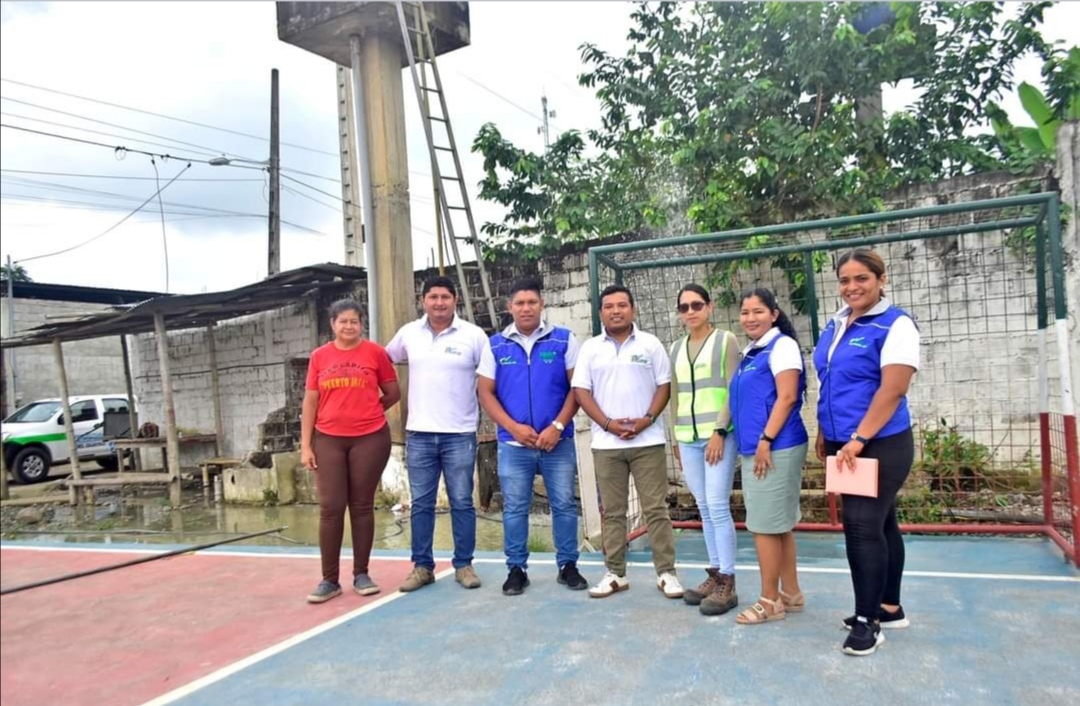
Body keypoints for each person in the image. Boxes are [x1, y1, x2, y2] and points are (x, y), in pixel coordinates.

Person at [812, 249, 919, 656]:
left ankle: (867, 622)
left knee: (860, 526)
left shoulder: (896, 324)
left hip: (878, 442)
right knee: (881, 522)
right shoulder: (837, 323)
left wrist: (857, 439)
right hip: (843, 442)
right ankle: (889, 607)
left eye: (862, 278)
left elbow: (893, 389)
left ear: (881, 279)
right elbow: (830, 382)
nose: (852, 287)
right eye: (845, 280)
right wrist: (826, 431)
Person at [477, 277, 588, 596]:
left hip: (557, 443)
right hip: (514, 445)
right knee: (514, 508)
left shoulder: (563, 339)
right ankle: (516, 569)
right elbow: (485, 393)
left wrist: (557, 426)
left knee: (564, 505)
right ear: (509, 307)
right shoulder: (495, 345)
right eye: (520, 303)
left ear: (542, 305)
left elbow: (577, 388)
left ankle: (568, 566)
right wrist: (513, 428)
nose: (526, 308)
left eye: (532, 302)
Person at [571, 284, 683, 600]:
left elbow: (664, 385)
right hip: (606, 445)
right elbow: (581, 391)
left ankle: (666, 573)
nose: (616, 311)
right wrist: (607, 424)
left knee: (656, 509)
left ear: (633, 309)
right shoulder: (590, 348)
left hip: (648, 441)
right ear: (600, 312)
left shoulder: (650, 344)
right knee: (613, 512)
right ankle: (615, 573)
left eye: (622, 305)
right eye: (609, 306)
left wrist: (647, 419)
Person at [386, 276, 490, 592]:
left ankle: (464, 565)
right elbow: (382, 360)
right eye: (433, 297)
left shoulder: (473, 336)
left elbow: (490, 378)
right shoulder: (408, 334)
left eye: (445, 297)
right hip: (419, 434)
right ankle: (422, 567)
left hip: (459, 434)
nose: (439, 302)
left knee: (462, 501)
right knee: (421, 504)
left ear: (455, 300)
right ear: (423, 301)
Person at [301, 299, 401, 604]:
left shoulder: (375, 353)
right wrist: (306, 445)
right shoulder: (319, 357)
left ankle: (361, 573)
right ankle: (329, 580)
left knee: (361, 505)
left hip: (370, 439)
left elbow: (393, 392)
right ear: (332, 324)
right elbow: (310, 402)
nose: (348, 326)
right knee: (331, 507)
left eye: (354, 321)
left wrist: (370, 409)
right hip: (328, 439)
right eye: (342, 321)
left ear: (361, 324)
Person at [729, 288, 809, 625]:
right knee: (779, 525)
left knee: (763, 526)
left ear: (774, 314)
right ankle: (790, 593)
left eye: (758, 311)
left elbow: (787, 396)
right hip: (762, 446)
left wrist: (766, 440)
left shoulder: (782, 346)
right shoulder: (752, 352)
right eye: (745, 312)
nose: (750, 318)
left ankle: (769, 601)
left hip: (774, 447)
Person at [667, 284, 741, 616]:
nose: (690, 312)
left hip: (717, 436)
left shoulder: (726, 341)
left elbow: (733, 389)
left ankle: (728, 580)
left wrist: (720, 431)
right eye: (684, 307)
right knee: (704, 507)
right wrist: (676, 438)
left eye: (696, 305)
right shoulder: (675, 348)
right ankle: (715, 573)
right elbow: (675, 395)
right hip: (688, 438)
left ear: (709, 307)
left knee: (717, 504)